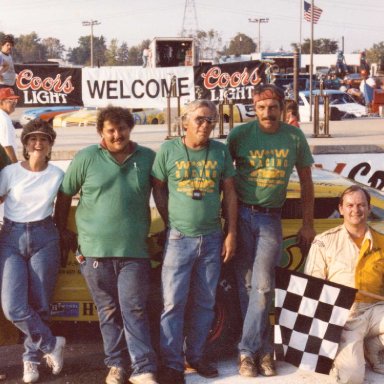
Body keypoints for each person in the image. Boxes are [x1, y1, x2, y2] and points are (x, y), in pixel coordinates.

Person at [54, 106, 158, 384]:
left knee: (133, 308)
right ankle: (116, 365)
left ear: (130, 129)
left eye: (122, 128)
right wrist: (62, 230)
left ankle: (143, 368)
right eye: (110, 130)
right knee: (108, 311)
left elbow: (163, 193)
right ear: (101, 132)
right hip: (94, 252)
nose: (117, 135)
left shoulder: (147, 157)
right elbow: (64, 195)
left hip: (134, 251)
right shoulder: (86, 157)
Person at [227, 84, 315, 378]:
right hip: (240, 216)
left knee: (264, 288)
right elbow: (223, 178)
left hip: (269, 219)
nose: (267, 113)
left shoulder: (293, 136)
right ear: (254, 107)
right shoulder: (240, 134)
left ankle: (245, 350)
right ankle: (263, 352)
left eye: (273, 107)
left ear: (282, 108)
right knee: (249, 288)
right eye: (262, 107)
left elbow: (306, 183)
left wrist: (307, 223)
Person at [152, 99, 237, 384]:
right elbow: (158, 187)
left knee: (205, 302)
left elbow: (230, 193)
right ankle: (173, 363)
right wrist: (170, 221)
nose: (206, 125)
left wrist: (232, 232)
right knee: (172, 303)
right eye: (200, 119)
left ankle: (197, 356)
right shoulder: (169, 150)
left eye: (211, 120)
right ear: (184, 122)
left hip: (212, 237)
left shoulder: (220, 152)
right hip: (179, 238)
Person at [0, 118, 66, 383]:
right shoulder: (10, 172)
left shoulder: (58, 174)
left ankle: (31, 360)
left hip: (45, 236)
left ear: (50, 145)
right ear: (25, 144)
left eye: (44, 139)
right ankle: (51, 344)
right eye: (32, 139)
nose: (38, 143)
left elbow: (66, 205)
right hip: (11, 237)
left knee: (40, 304)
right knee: (13, 307)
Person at [305, 185, 384, 384]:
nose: (355, 210)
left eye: (361, 205)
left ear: (368, 208)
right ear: (341, 209)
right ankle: (352, 351)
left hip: (376, 310)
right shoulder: (323, 242)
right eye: (350, 205)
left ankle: (373, 347)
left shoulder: (382, 241)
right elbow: (312, 290)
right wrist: (328, 328)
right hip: (345, 317)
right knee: (352, 377)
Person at [0, 87, 19, 163]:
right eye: (10, 101)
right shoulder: (3, 119)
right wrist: (15, 165)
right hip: (4, 161)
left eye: (15, 100)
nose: (14, 103)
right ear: (1, 102)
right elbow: (7, 145)